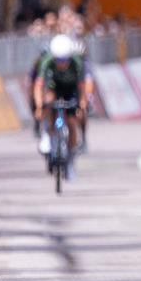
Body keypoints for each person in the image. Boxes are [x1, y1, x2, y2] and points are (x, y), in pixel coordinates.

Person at [34, 34, 89, 177]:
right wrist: (40, 106)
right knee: (48, 102)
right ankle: (47, 135)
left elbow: (82, 87)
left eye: (65, 60)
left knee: (72, 124)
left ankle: (70, 161)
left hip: (71, 90)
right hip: (54, 88)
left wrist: (82, 103)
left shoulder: (77, 63)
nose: (62, 63)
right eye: (59, 60)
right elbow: (38, 86)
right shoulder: (47, 61)